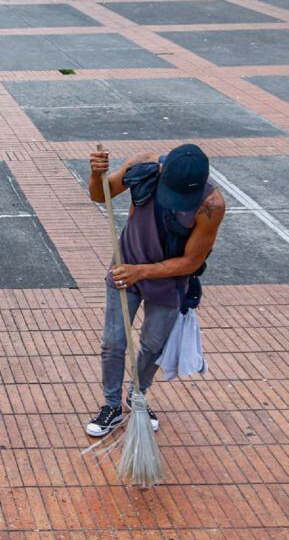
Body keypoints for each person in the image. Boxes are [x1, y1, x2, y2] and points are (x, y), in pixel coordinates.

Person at [84, 144, 225, 437]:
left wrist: (144, 271)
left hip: (169, 281)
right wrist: (97, 175)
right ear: (162, 170)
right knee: (113, 343)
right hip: (125, 268)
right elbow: (100, 195)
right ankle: (110, 406)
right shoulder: (142, 166)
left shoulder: (211, 205)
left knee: (152, 346)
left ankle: (138, 397)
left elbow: (191, 261)